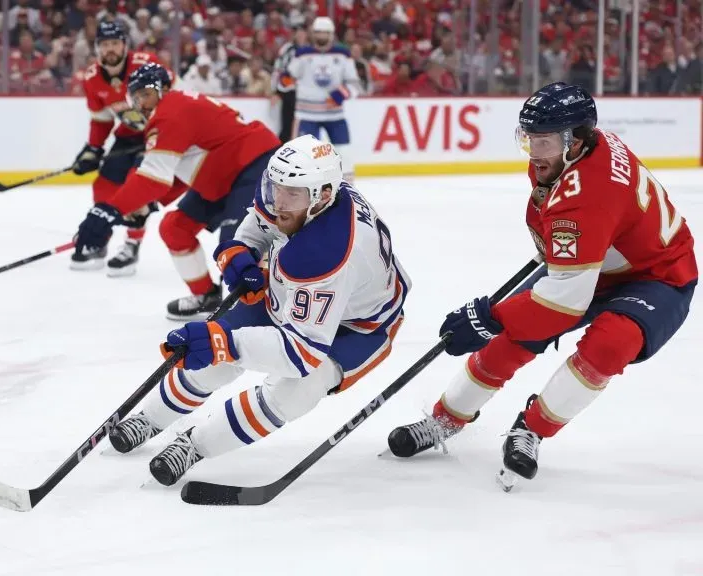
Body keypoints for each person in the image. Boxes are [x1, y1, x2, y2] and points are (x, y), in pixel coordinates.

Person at [386, 82, 697, 491]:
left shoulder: (587, 195)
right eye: (529, 139)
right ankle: (446, 419)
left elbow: (565, 303)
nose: (534, 151)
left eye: (544, 141)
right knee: (513, 338)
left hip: (657, 274)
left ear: (578, 140)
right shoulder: (572, 153)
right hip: (597, 260)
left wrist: (487, 317)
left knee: (609, 344)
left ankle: (531, 429)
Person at [107, 135, 411, 486]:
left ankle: (196, 444)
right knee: (212, 360)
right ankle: (152, 418)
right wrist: (242, 249)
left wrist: (224, 342)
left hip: (360, 326)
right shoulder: (303, 197)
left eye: (291, 193)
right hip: (299, 291)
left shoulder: (327, 250)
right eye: (276, 186)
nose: (278, 199)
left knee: (295, 391)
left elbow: (300, 354)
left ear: (324, 195)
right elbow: (260, 222)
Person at [73, 62, 281, 320]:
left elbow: (152, 178)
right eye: (135, 98)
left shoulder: (170, 110)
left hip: (252, 166)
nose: (142, 103)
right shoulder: (176, 107)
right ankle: (206, 296)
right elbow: (182, 170)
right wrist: (149, 205)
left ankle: (256, 311)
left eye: (145, 93)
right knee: (175, 228)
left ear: (165, 88)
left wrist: (108, 210)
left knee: (237, 241)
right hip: (223, 173)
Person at [70, 20, 166, 277]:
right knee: (103, 185)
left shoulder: (147, 63)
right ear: (97, 48)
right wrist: (93, 148)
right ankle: (99, 237)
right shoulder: (92, 78)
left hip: (159, 135)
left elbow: (173, 99)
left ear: (124, 45)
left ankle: (132, 245)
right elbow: (101, 119)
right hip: (127, 138)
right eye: (104, 44)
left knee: (137, 185)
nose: (110, 49)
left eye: (114, 43)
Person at [285, 17, 361, 182]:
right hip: (307, 114)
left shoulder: (342, 54)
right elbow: (287, 78)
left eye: (325, 33)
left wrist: (341, 94)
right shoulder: (302, 54)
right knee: (303, 155)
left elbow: (355, 83)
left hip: (335, 114)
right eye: (318, 32)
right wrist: (285, 82)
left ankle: (349, 190)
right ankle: (302, 186)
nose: (321, 36)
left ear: (331, 34)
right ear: (313, 34)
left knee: (344, 152)